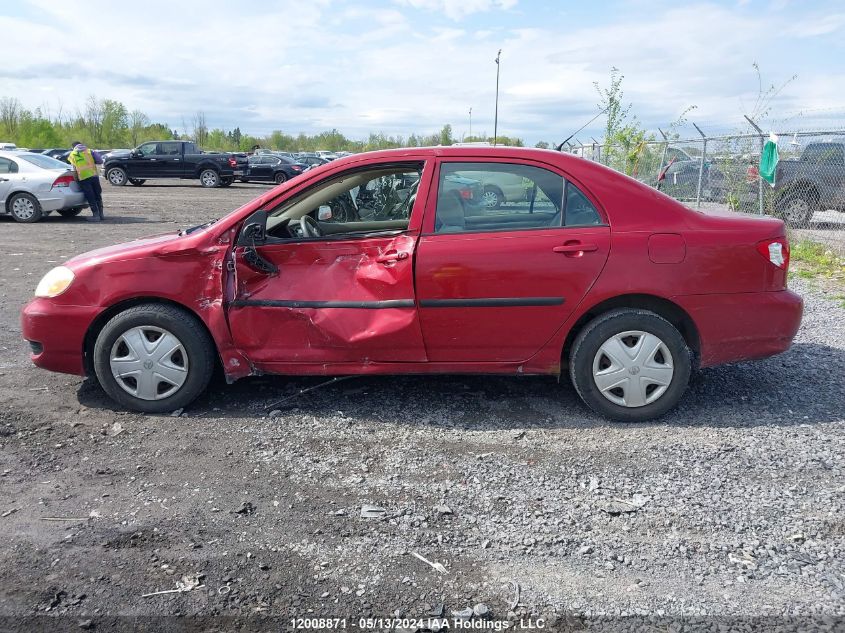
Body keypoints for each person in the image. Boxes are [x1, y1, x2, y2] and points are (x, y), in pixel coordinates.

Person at [68, 141, 104, 221]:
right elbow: (100, 161)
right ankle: (101, 215)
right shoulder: (89, 151)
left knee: (90, 196)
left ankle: (96, 215)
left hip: (84, 177)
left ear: (73, 147)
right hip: (94, 176)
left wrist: (76, 179)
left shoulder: (72, 154)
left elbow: (74, 168)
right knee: (97, 194)